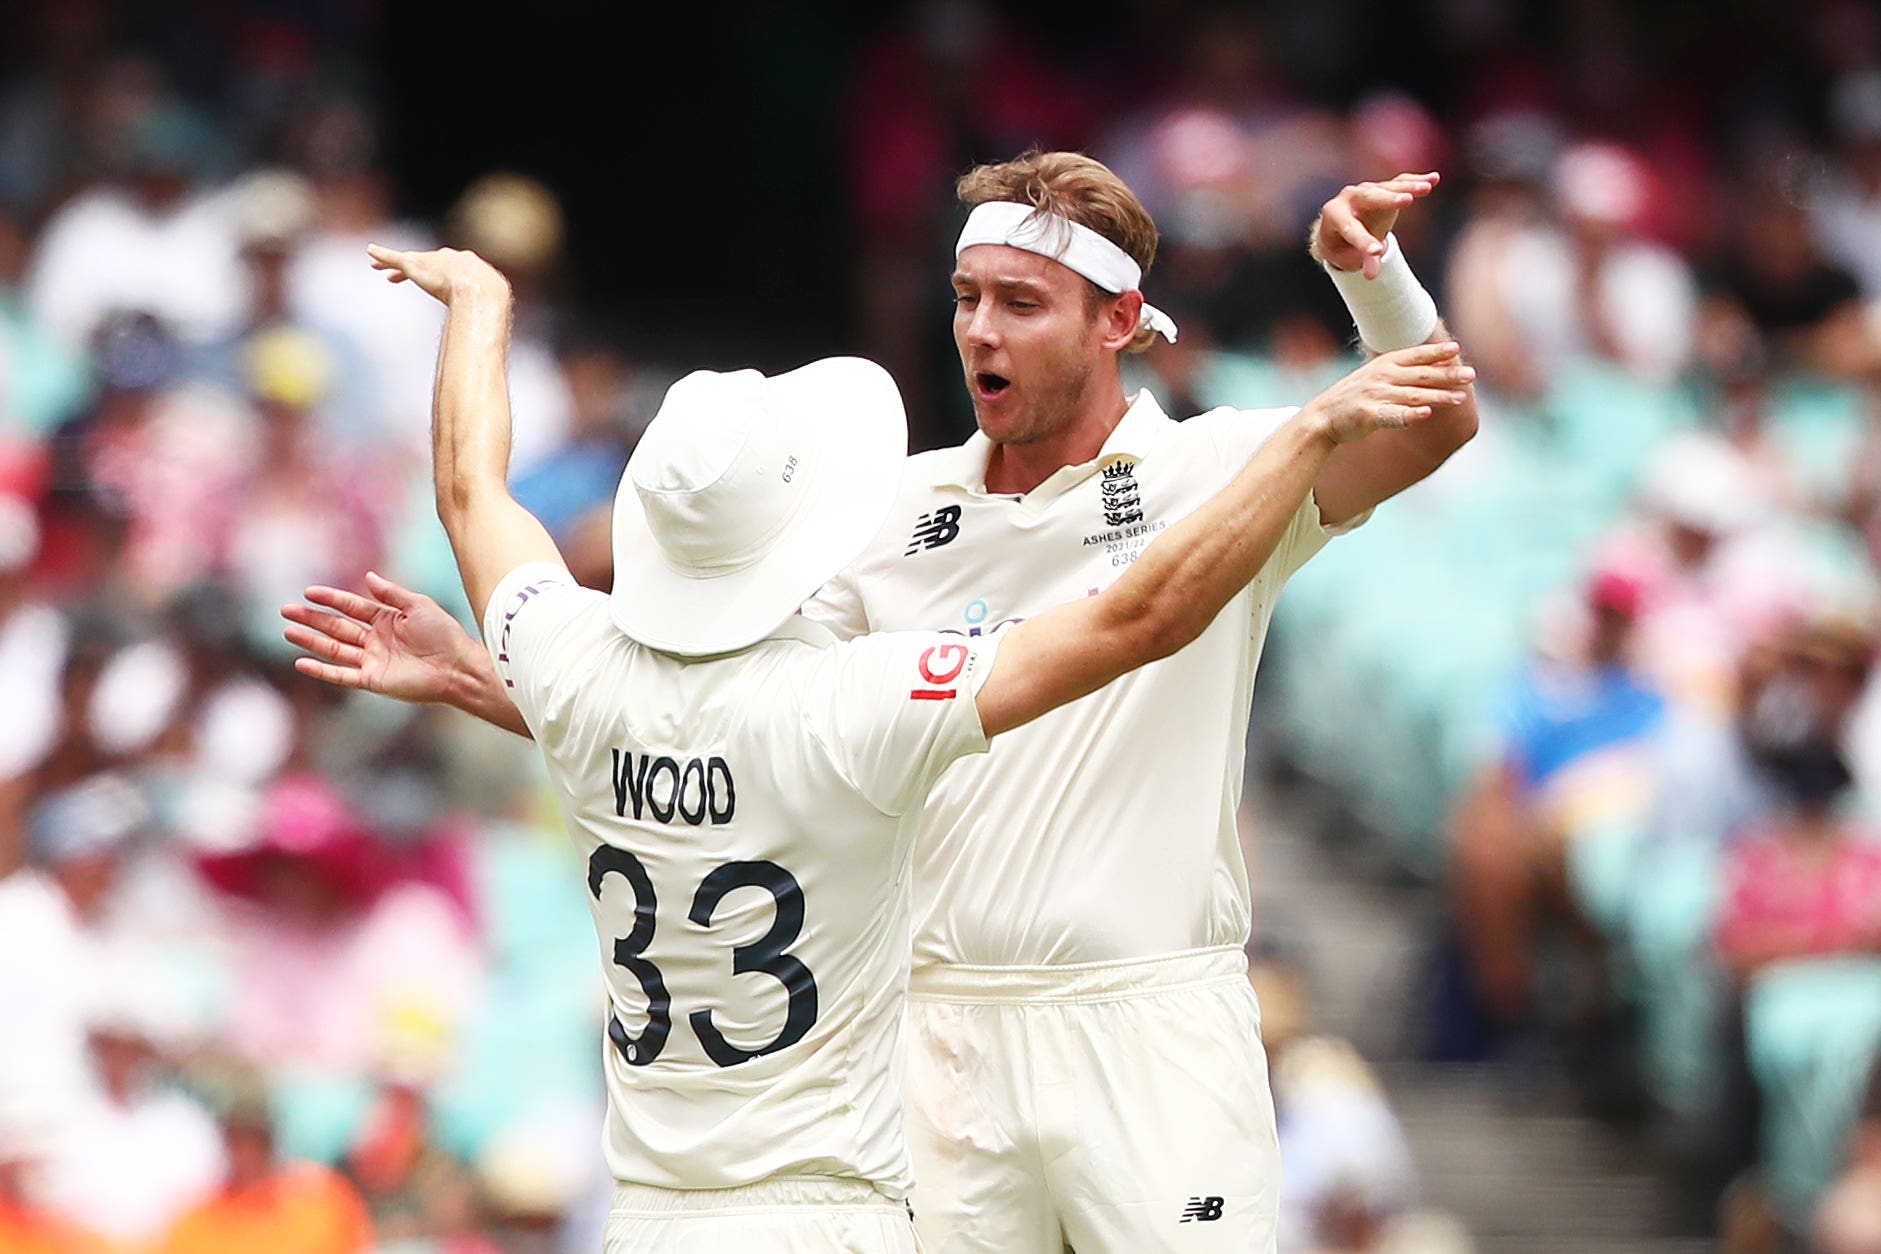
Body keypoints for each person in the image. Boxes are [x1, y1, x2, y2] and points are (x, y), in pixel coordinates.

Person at [289, 153, 1476, 1252]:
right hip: (934, 1032)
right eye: (967, 296)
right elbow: (733, 732)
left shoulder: (1222, 470)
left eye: (1022, 302)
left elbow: (1440, 425)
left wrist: (1371, 282)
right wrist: (478, 680)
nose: (978, 330)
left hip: (1149, 1015)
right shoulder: (879, 515)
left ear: (1120, 319)